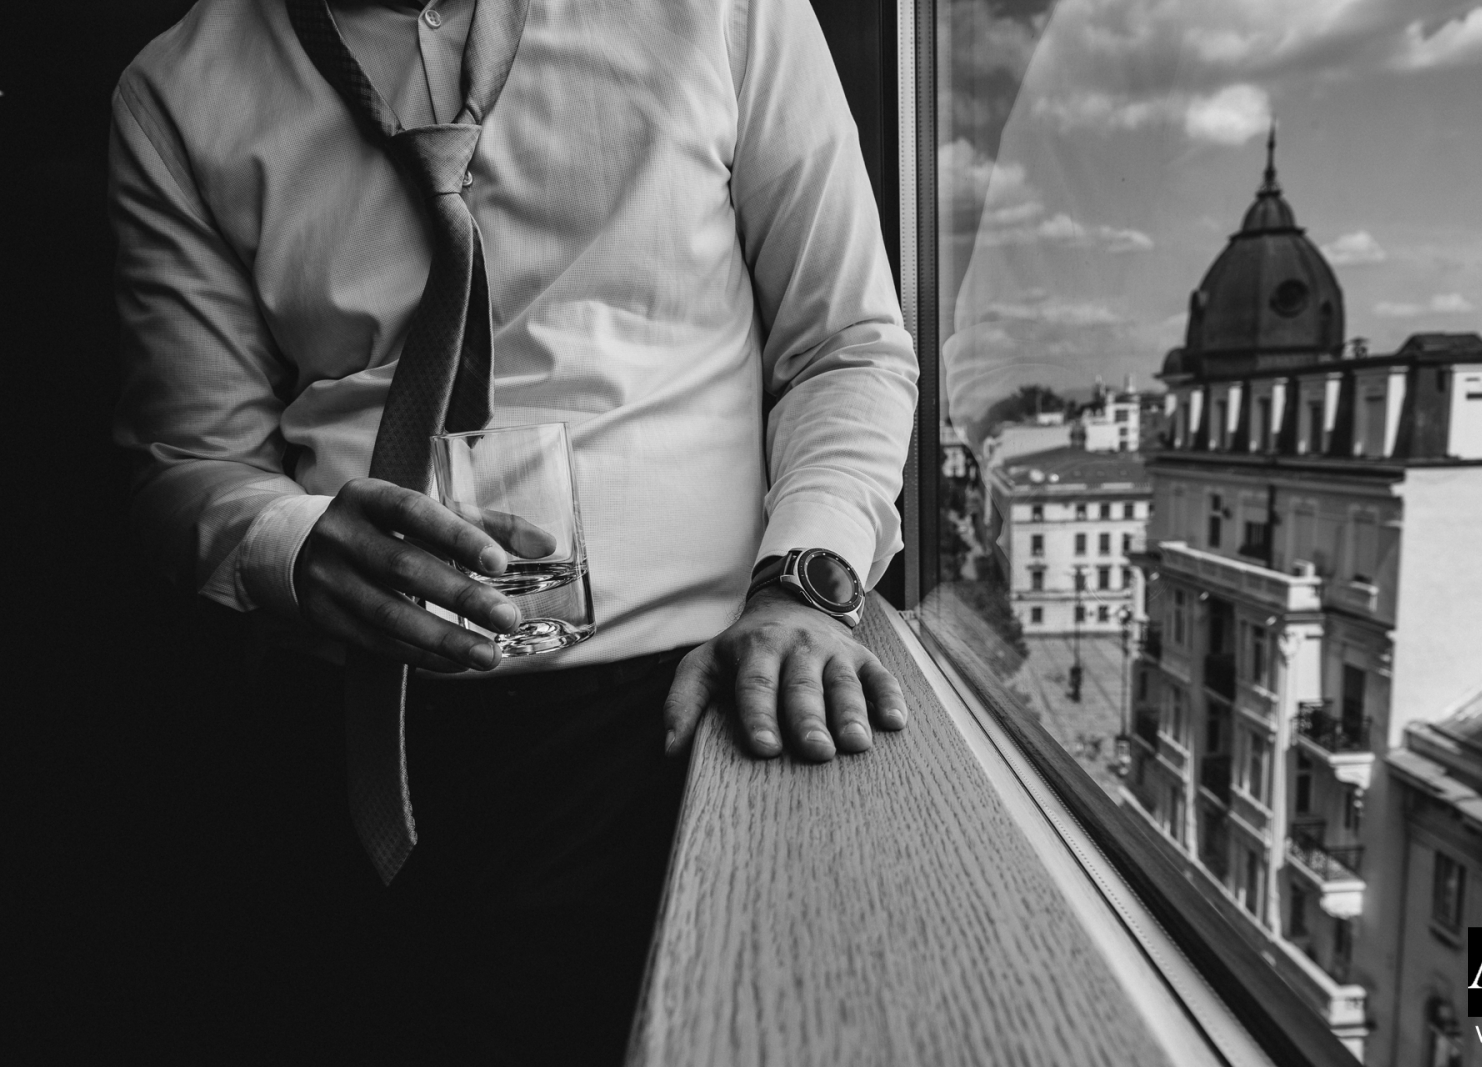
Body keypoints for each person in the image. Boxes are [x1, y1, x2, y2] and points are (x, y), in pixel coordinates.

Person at [109, 0, 917, 1061]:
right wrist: (291, 540)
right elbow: (182, 460)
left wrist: (800, 592)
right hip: (343, 730)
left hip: (686, 715)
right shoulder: (173, 89)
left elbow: (845, 348)